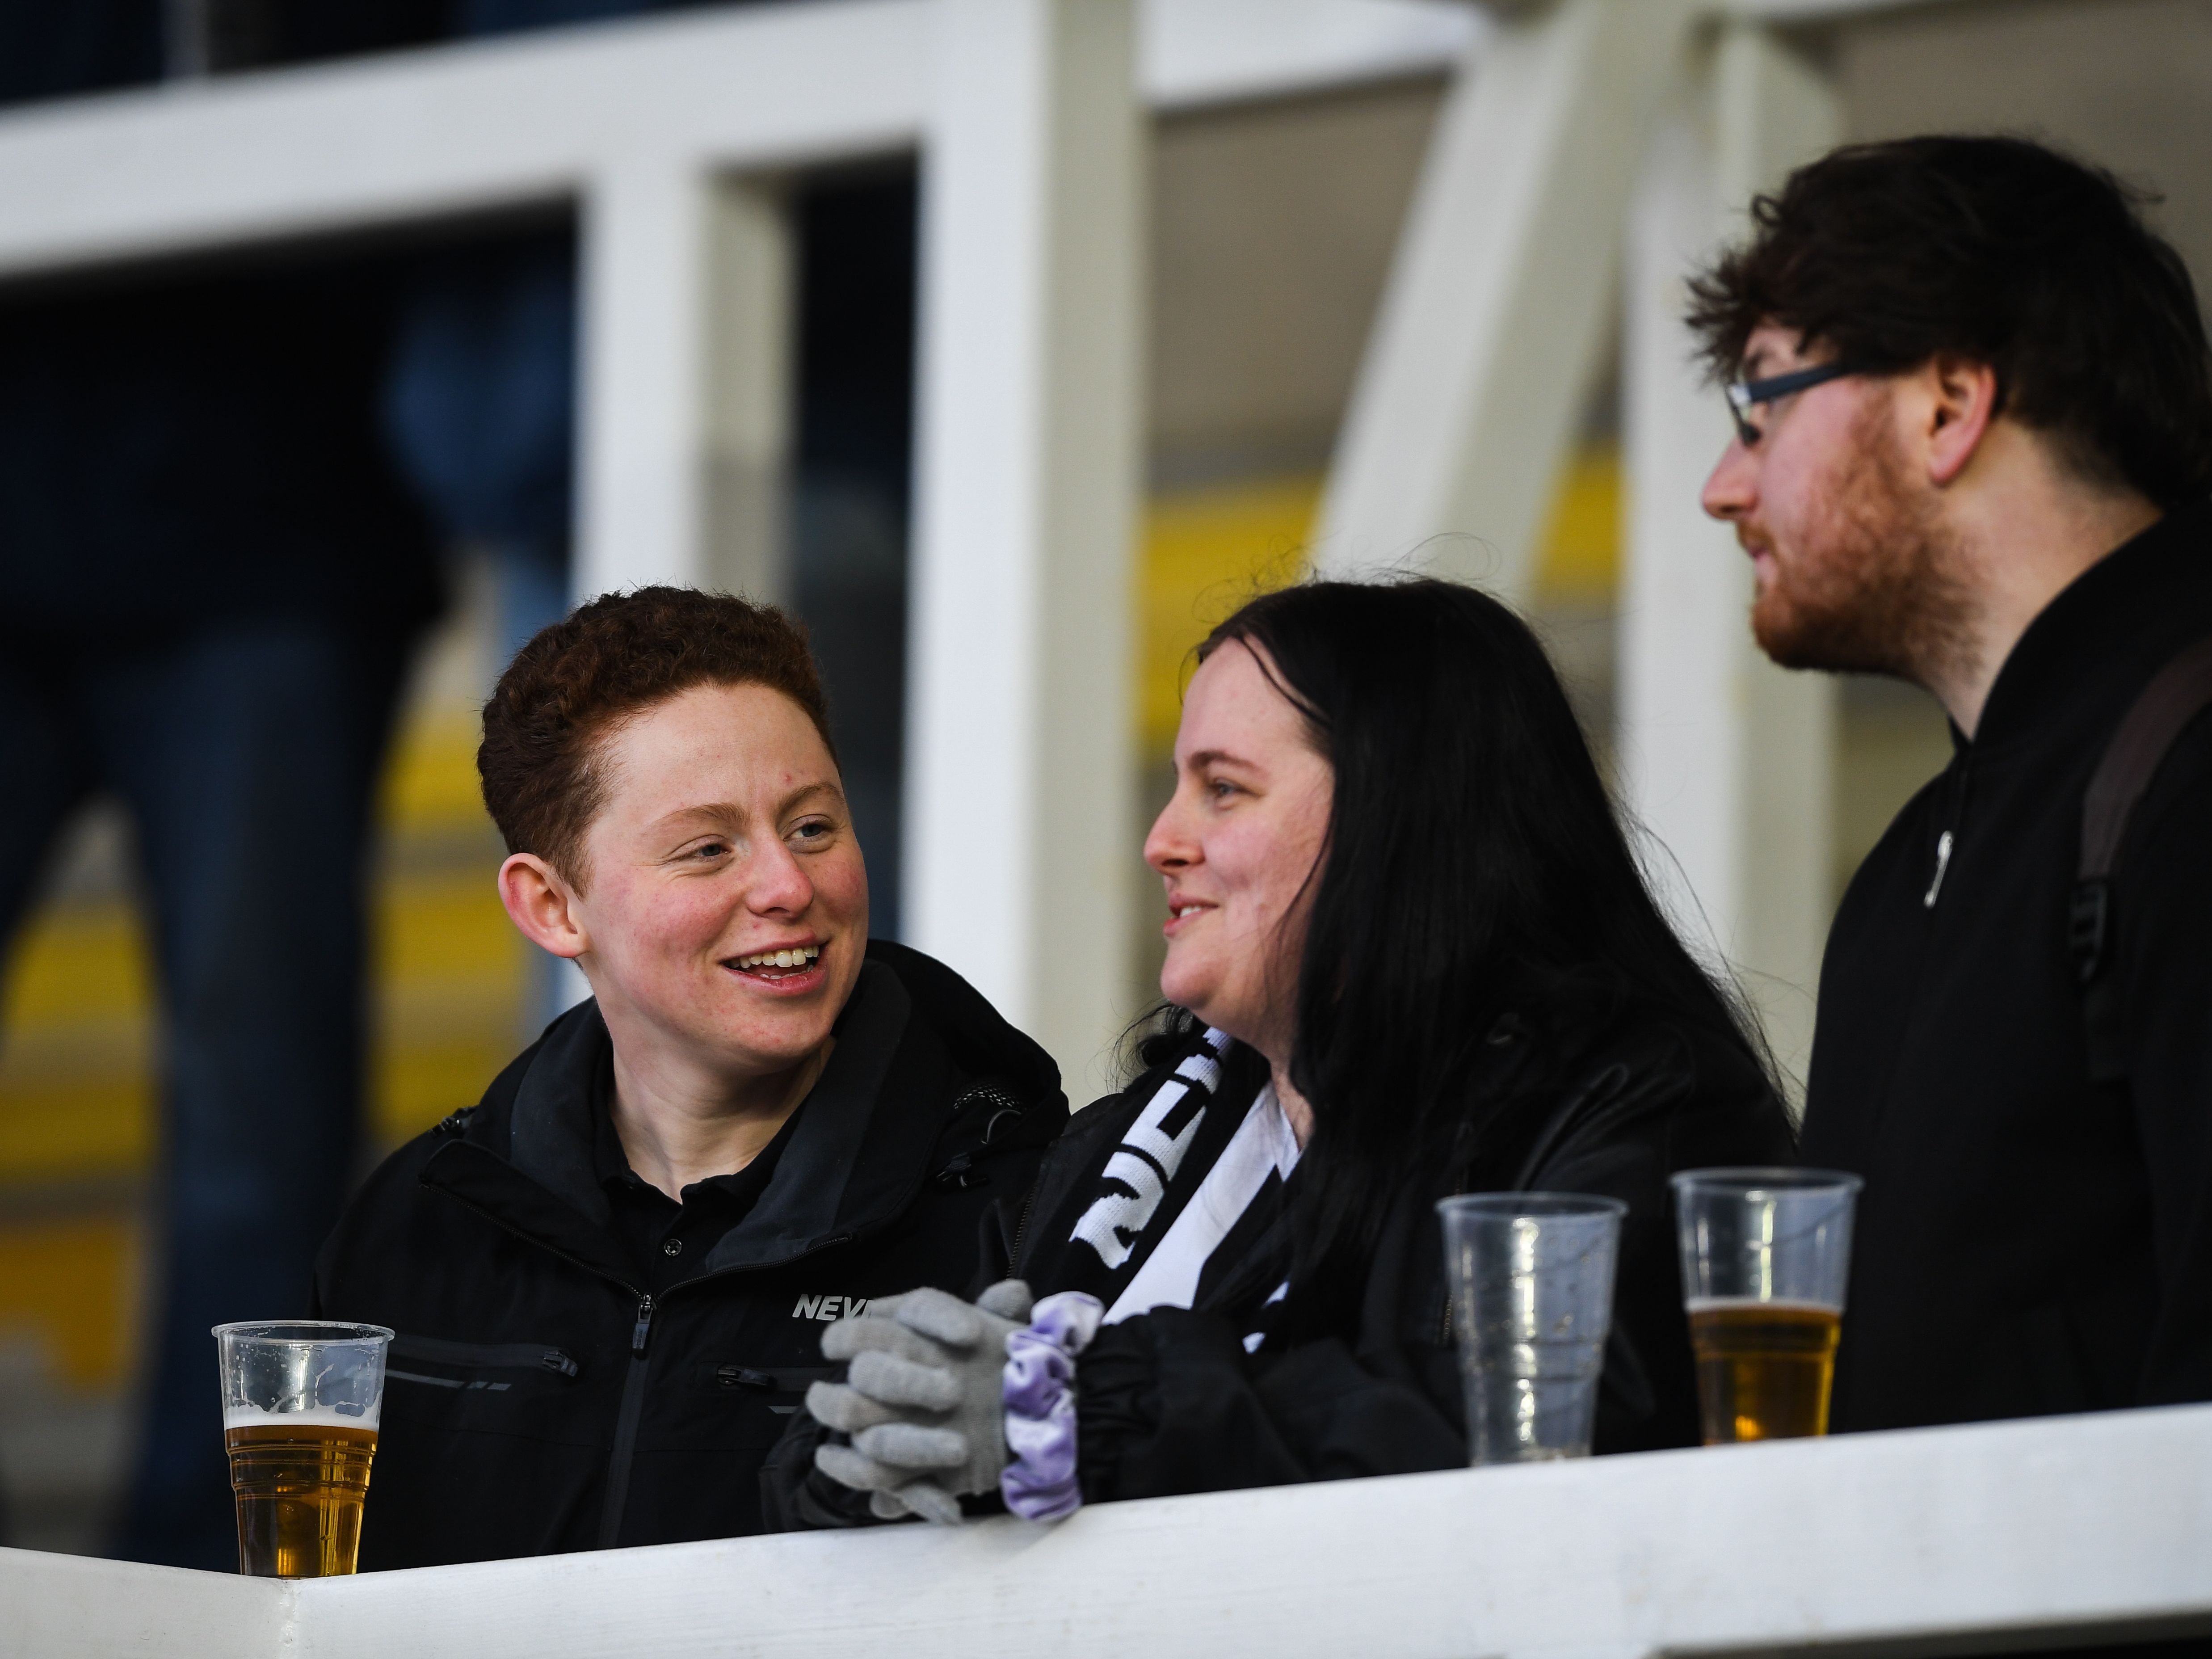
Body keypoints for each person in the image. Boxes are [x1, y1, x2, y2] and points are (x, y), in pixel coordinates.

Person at [767, 579, 1795, 1526]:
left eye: (1225, 788)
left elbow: (1535, 1425)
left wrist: (1090, 1409)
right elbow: (883, 1423)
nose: (1162, 837)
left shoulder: (1633, 1098)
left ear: (1401, 819)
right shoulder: (1131, 1140)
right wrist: (880, 1442)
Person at [311, 587, 1066, 1565]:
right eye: (708, 848)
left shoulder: (1028, 1204)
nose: (789, 887)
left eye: (813, 827)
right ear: (551, 905)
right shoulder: (410, 1230)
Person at [0, 0, 444, 1567]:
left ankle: (208, 1575)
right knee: (260, 1094)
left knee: (260, 1099)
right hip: (109, 499)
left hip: (272, 520)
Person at [1687, 136, 2212, 1431]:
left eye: (1764, 401)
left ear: (1946, 404)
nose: (1721, 486)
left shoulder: (2186, 777)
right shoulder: (1913, 864)